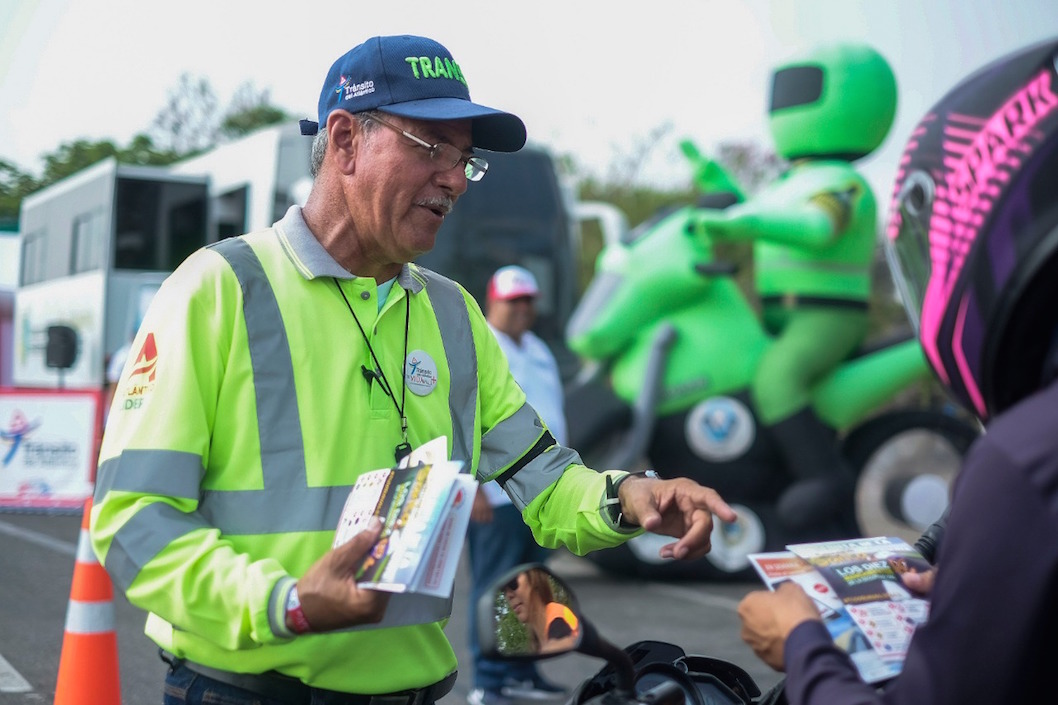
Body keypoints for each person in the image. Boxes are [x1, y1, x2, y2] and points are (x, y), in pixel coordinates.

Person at [90, 33, 736, 705]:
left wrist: (629, 495)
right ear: (344, 141)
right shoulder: (219, 288)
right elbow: (133, 518)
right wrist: (285, 602)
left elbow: (546, 485)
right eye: (431, 147)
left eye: (464, 158)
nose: (454, 177)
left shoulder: (454, 315)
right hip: (242, 690)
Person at [736, 37, 1058, 705]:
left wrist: (802, 643)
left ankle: (816, 473)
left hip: (819, 334)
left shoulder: (1026, 457)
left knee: (777, 383)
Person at [689, 42, 897, 534]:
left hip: (827, 316)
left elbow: (815, 228)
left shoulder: (843, 183)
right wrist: (718, 184)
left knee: (775, 378)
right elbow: (761, 217)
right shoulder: (786, 183)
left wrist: (744, 220)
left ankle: (823, 475)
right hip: (777, 314)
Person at [467, 265, 569, 705]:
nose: (522, 308)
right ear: (493, 302)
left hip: (541, 491)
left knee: (532, 587)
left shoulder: (538, 348)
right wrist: (469, 484)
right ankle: (488, 682)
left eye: (528, 299)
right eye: (514, 301)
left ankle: (524, 673)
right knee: (496, 586)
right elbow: (462, 417)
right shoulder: (480, 343)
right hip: (497, 492)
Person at [501, 569, 580, 655]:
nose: (508, 595)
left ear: (534, 579)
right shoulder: (536, 641)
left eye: (512, 583)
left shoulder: (557, 615)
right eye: (503, 591)